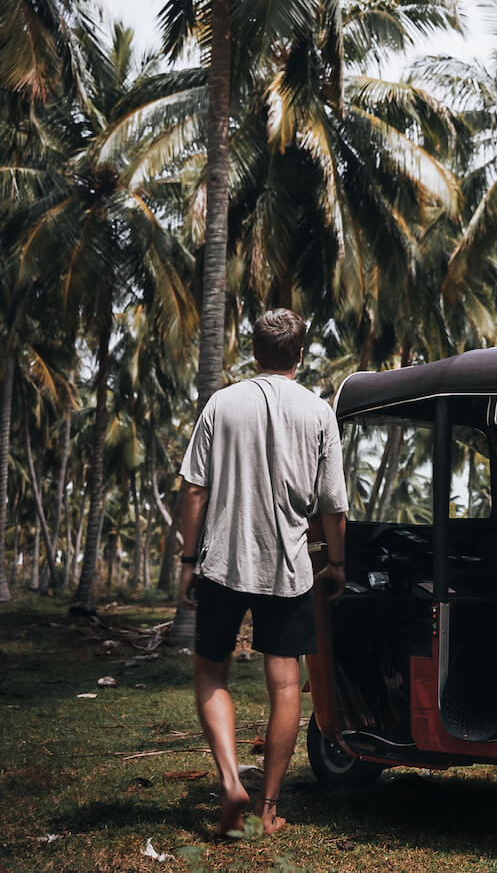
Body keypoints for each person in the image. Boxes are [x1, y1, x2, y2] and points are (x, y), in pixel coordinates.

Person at [178, 309, 348, 839]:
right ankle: (267, 808)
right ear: (300, 354)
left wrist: (188, 561)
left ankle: (231, 778)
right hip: (290, 568)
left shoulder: (221, 404)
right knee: (286, 683)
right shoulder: (319, 412)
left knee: (211, 672)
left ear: (255, 351)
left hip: (224, 563)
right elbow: (332, 506)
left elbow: (194, 490)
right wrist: (337, 564)